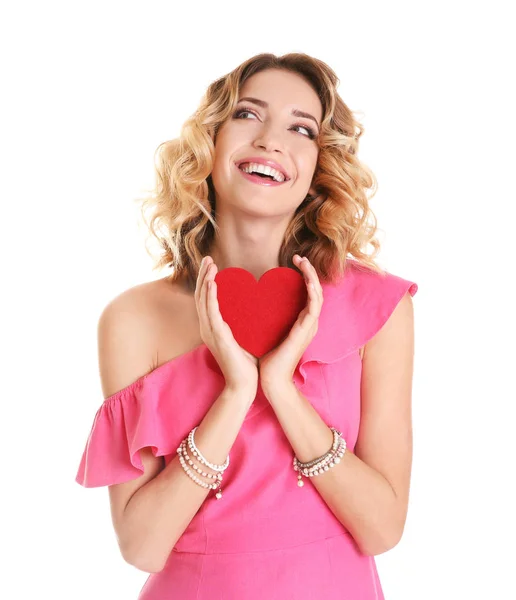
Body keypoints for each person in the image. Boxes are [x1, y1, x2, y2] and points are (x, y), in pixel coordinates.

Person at [76, 52, 418, 599]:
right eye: (247, 114)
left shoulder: (377, 307)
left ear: (317, 167)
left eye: (300, 128)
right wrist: (236, 392)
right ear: (209, 143)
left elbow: (383, 528)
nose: (271, 140)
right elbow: (141, 546)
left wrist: (281, 388)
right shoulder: (134, 319)